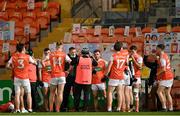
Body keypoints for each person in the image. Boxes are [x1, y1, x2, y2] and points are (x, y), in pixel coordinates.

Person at [6, 43, 36, 113]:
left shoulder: (13, 57)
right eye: (24, 48)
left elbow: (7, 66)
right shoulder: (27, 56)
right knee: (28, 93)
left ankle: (17, 109)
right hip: (25, 78)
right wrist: (34, 61)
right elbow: (35, 63)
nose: (25, 49)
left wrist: (13, 68)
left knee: (17, 94)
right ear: (23, 49)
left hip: (17, 78)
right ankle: (30, 109)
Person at [105, 41, 129, 112]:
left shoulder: (113, 56)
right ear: (121, 48)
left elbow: (109, 67)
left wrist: (105, 75)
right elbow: (126, 65)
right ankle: (118, 108)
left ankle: (109, 109)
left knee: (109, 92)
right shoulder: (124, 57)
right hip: (121, 76)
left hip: (114, 76)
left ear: (115, 48)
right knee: (120, 92)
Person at [49, 42, 71, 112]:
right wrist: (67, 70)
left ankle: (51, 108)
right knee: (60, 93)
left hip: (53, 75)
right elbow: (71, 62)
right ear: (61, 47)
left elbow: (43, 61)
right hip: (61, 75)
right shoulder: (64, 54)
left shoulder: (51, 54)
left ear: (56, 47)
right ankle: (58, 109)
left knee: (52, 93)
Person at [74, 47, 98, 112]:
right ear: (88, 53)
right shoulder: (91, 60)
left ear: (82, 53)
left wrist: (78, 55)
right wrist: (91, 56)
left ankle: (76, 109)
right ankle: (85, 109)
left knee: (77, 95)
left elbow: (73, 62)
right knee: (86, 95)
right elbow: (96, 64)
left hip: (78, 81)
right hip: (87, 81)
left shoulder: (78, 59)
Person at [156, 44, 174, 111]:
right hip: (170, 76)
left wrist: (157, 74)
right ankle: (171, 108)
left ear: (160, 49)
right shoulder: (165, 55)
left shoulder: (162, 57)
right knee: (167, 93)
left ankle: (164, 107)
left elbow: (163, 69)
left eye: (157, 49)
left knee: (159, 92)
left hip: (166, 76)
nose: (156, 50)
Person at [61, 47, 78, 112]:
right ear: (69, 52)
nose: (73, 53)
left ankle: (76, 107)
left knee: (76, 93)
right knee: (65, 93)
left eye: (74, 52)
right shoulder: (66, 57)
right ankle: (64, 107)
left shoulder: (78, 58)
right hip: (67, 78)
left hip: (76, 78)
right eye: (72, 52)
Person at [129, 45, 143, 112]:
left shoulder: (139, 57)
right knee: (129, 93)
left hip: (136, 78)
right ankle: (131, 107)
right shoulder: (129, 57)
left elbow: (140, 67)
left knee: (135, 93)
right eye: (131, 51)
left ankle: (137, 109)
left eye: (133, 51)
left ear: (136, 51)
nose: (132, 53)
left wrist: (133, 59)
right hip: (129, 78)